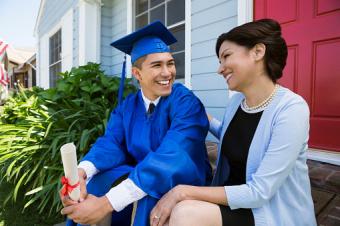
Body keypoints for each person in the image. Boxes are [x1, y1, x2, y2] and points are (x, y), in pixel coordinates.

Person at [150, 18, 317, 226]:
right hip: (234, 199)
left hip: (268, 211)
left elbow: (259, 192)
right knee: (167, 215)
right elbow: (236, 137)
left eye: (226, 56)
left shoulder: (291, 109)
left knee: (184, 213)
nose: (220, 69)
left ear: (258, 52)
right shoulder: (237, 101)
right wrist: (198, 114)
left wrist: (182, 192)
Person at [59, 21, 212, 226]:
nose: (168, 73)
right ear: (137, 74)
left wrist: (106, 204)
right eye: (157, 65)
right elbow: (112, 142)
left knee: (145, 194)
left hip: (182, 180)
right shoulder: (127, 107)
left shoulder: (185, 102)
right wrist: (82, 172)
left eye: (170, 63)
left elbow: (174, 155)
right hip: (143, 172)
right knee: (98, 182)